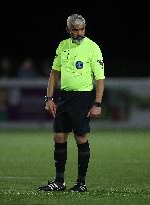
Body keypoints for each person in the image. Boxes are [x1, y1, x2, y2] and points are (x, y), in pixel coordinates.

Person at [38, 13, 105, 192]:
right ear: (68, 29)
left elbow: (100, 78)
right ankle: (59, 182)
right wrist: (49, 98)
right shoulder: (62, 46)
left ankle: (81, 183)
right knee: (59, 136)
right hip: (65, 97)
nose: (79, 33)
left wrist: (97, 104)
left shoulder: (93, 48)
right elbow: (54, 73)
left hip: (83, 97)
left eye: (82, 29)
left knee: (80, 137)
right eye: (75, 30)